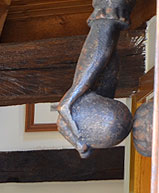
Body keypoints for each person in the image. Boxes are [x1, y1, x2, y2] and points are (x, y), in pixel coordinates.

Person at [54, 0, 133, 157]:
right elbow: (62, 121)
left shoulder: (98, 85)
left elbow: (62, 123)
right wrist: (69, 99)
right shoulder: (92, 83)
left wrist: (80, 145)